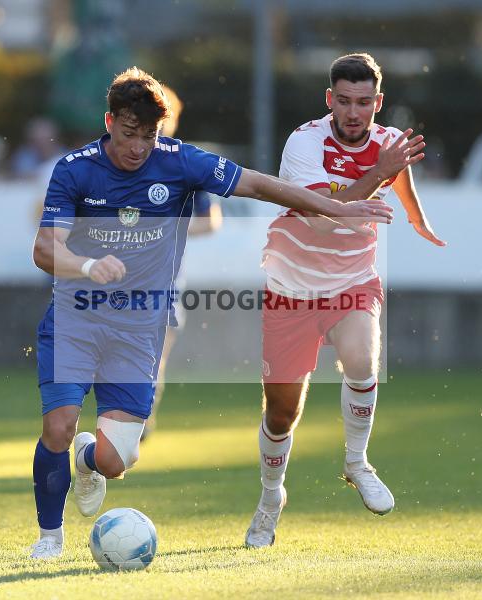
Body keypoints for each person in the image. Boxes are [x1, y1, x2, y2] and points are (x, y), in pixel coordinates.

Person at [28, 66, 421, 559]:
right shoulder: (74, 169)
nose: (137, 148)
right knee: (58, 426)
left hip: (139, 328)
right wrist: (87, 264)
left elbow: (259, 185)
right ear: (109, 122)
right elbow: (45, 250)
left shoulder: (179, 161)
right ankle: (48, 538)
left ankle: (88, 459)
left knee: (115, 461)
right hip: (77, 317)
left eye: (148, 137)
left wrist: (336, 209)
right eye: (129, 135)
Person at [244, 53, 445, 548]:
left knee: (363, 357)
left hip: (352, 281)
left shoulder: (385, 143)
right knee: (281, 414)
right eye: (345, 101)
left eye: (364, 103)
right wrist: (379, 172)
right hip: (291, 287)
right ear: (329, 99)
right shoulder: (304, 142)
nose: (354, 113)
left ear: (378, 103)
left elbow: (399, 174)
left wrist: (417, 219)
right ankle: (271, 499)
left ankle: (357, 462)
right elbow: (320, 216)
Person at [140, 84, 223, 441]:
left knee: (154, 359)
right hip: (114, 282)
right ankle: (129, 415)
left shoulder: (186, 169)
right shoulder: (122, 165)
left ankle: (143, 417)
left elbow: (211, 220)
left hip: (166, 282)